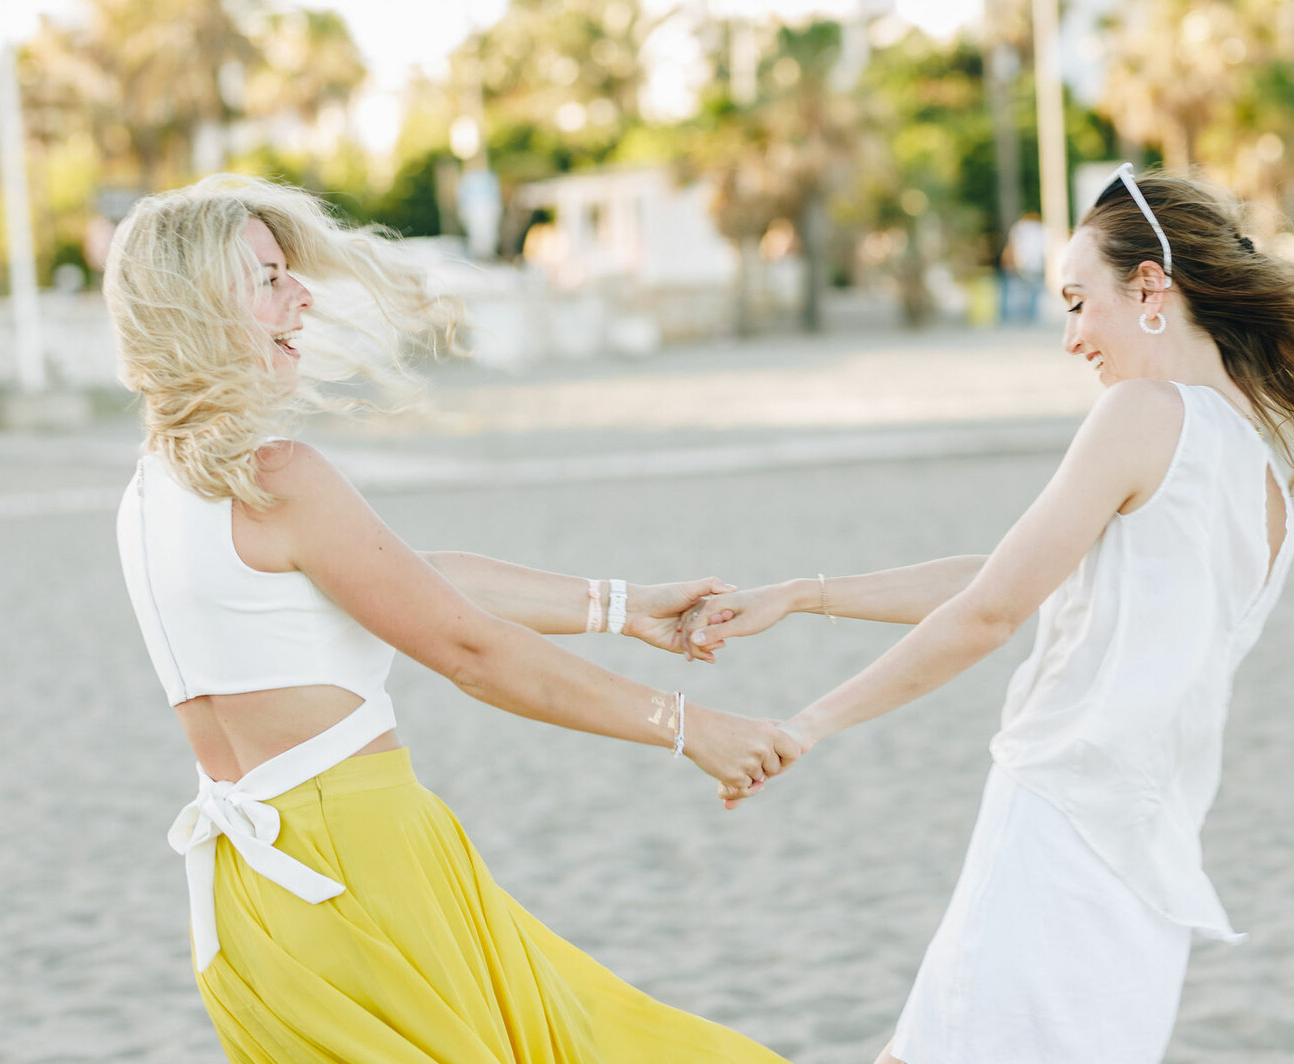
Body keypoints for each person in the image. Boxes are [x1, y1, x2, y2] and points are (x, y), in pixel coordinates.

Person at [683, 165, 1294, 1064]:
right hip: (1145, 859)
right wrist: (807, 594)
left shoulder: (1143, 412)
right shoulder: (1262, 474)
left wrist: (803, 726)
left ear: (1151, 287)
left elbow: (991, 613)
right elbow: (1016, 576)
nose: (1073, 335)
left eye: (1080, 301)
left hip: (1057, 830)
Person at [103, 174, 801, 1064]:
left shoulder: (152, 489)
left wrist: (624, 609)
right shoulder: (277, 476)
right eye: (270, 277)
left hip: (257, 913)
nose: (301, 295)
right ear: (197, 305)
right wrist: (687, 726)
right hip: (364, 869)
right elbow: (469, 650)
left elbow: (411, 582)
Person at [999, 210, 1046, 324]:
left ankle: (1012, 317)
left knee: (1016, 292)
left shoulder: (1020, 228)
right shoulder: (1041, 230)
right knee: (1032, 292)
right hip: (1036, 265)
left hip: (1022, 265)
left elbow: (1013, 246)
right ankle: (1031, 316)